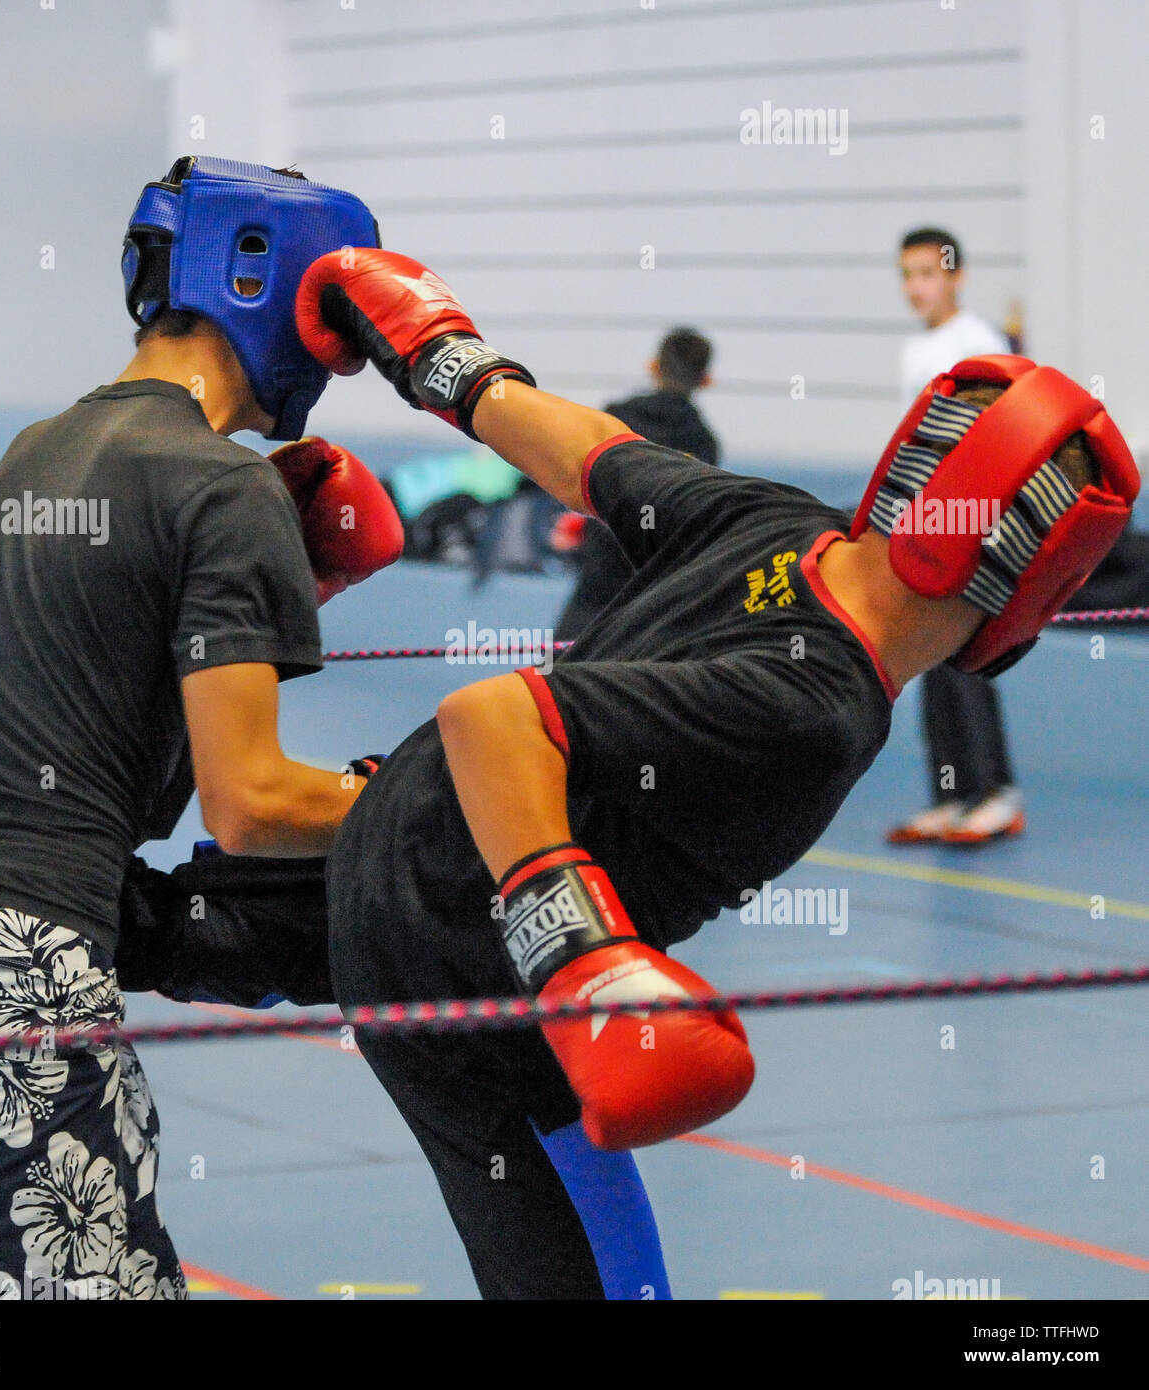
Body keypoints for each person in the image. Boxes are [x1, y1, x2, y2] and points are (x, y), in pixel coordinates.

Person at [122, 254, 1138, 1299]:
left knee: (144, 923)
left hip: (413, 838)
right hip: (465, 954)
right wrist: (584, 961)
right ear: (1028, 582)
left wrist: (445, 362)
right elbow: (497, 719)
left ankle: (20, 929)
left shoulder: (781, 525)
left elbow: (595, 456)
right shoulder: (818, 705)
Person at [0, 156, 403, 1300]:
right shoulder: (220, 485)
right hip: (12, 966)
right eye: (342, 315)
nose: (345, 352)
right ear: (270, 282)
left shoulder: (40, 449)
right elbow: (251, 808)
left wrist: (277, 584)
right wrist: (434, 806)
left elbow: (85, 706)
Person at [889, 227, 1023, 845]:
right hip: (924, 521)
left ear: (956, 276)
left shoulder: (980, 344)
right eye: (908, 275)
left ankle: (997, 794)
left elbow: (1006, 436)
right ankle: (951, 794)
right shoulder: (914, 350)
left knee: (966, 655)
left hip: (973, 524)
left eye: (928, 273)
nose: (917, 287)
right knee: (930, 658)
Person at [554, 328, 720, 640]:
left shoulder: (614, 418)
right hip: (654, 588)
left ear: (653, 367)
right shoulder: (703, 442)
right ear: (706, 379)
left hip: (599, 577)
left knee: (561, 676)